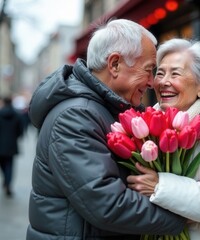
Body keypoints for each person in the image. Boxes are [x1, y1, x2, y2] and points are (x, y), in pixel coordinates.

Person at [26, 19, 186, 240]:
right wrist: (184, 215)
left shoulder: (106, 109)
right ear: (115, 65)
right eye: (149, 70)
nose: (152, 82)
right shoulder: (75, 116)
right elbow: (107, 204)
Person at [127, 38, 200, 239]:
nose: (164, 82)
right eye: (160, 73)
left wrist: (161, 186)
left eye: (175, 73)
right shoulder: (147, 126)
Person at [0, 96, 24, 197]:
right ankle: (8, 183)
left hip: (0, 144)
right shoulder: (17, 115)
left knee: (2, 165)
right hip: (11, 144)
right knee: (10, 165)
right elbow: (20, 130)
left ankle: (6, 181)